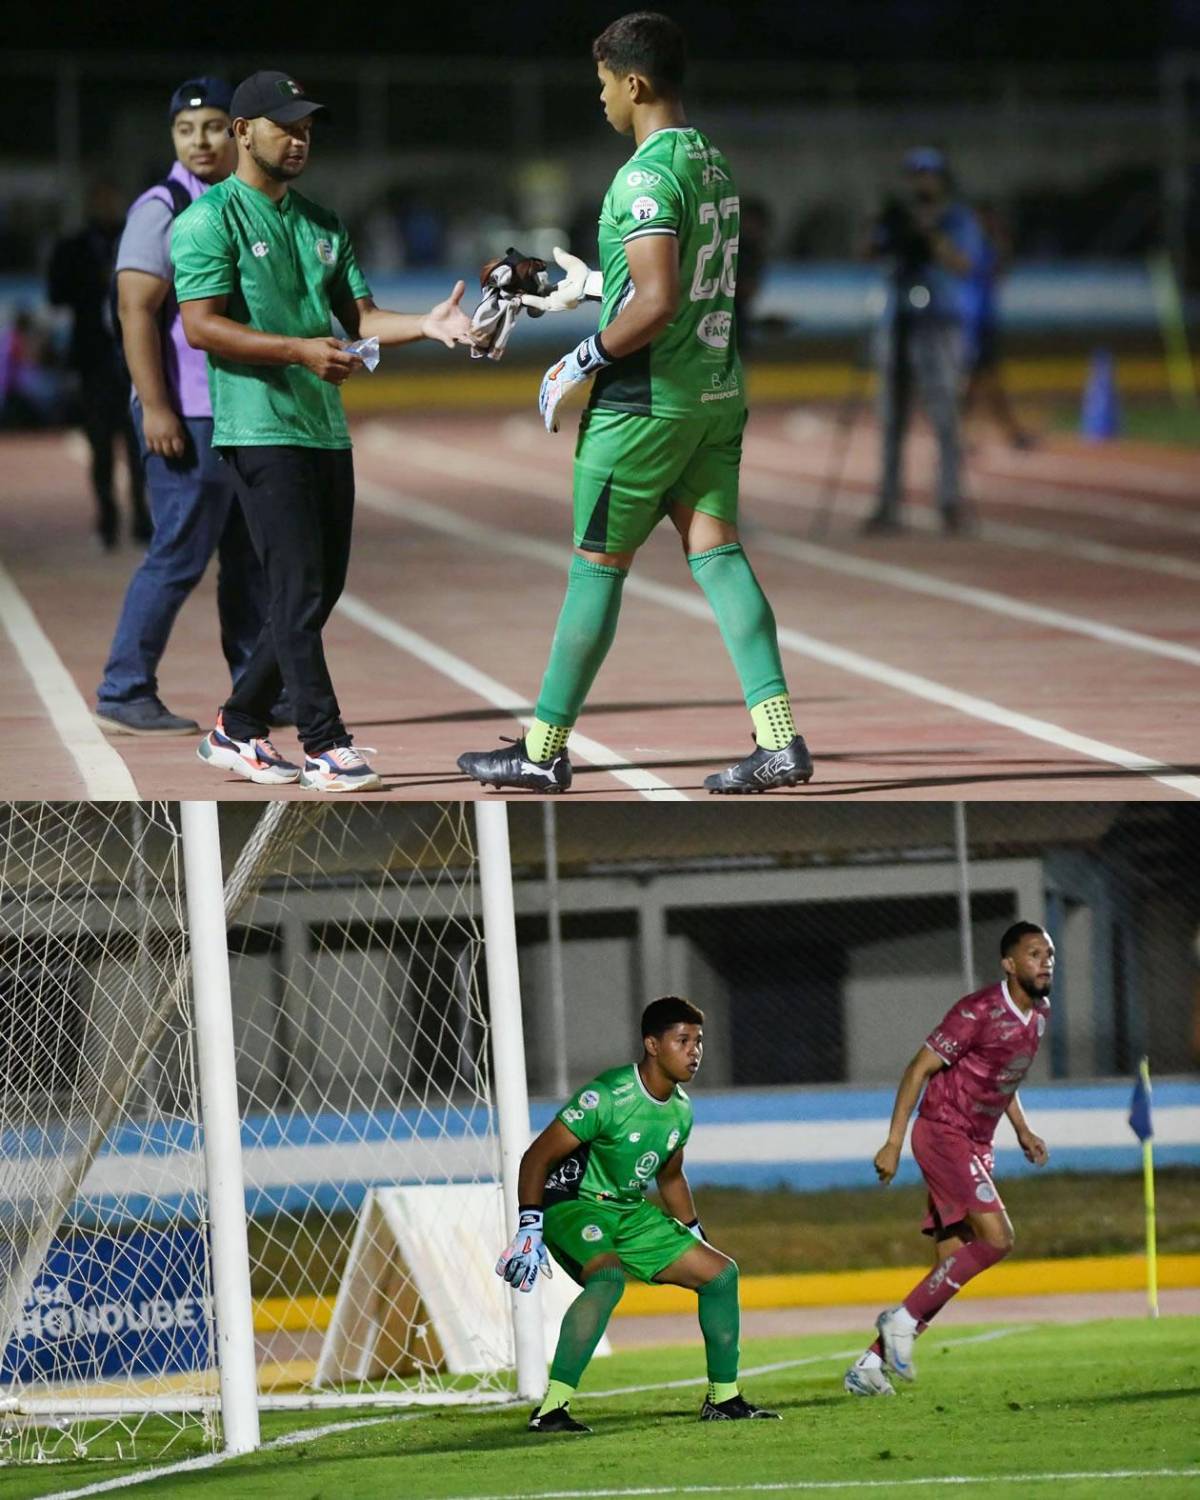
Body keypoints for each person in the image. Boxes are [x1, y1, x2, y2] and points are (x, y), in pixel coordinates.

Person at [457, 12, 811, 796]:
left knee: (595, 572)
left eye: (606, 84)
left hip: (644, 406)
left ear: (635, 82)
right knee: (718, 558)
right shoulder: (710, 160)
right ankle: (778, 736)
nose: (602, 100)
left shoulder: (643, 175)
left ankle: (543, 748)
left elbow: (654, 302)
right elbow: (665, 285)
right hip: (715, 392)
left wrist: (574, 362)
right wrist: (581, 289)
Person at [172, 69, 472, 792]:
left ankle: (236, 729)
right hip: (257, 426)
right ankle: (324, 743)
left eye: (307, 129)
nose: (301, 140)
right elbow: (202, 325)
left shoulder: (323, 224)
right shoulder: (209, 221)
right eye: (286, 127)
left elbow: (362, 318)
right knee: (298, 589)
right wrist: (300, 350)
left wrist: (427, 326)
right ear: (244, 132)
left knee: (317, 591)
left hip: (321, 430)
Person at [496, 996, 779, 1432]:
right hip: (573, 1204)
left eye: (698, 1041)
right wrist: (530, 1223)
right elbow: (535, 1158)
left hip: (630, 1211)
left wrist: (695, 1233)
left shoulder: (681, 1109)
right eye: (682, 1040)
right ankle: (551, 1409)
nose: (694, 1051)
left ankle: (723, 1399)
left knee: (721, 1275)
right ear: (652, 1044)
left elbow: (670, 1178)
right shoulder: (607, 1095)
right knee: (607, 1280)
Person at [94, 77, 273, 738]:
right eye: (186, 130)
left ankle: (256, 691)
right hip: (189, 414)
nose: (201, 141)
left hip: (243, 410)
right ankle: (124, 687)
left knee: (249, 560)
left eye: (215, 127)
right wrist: (158, 408)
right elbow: (134, 311)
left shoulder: (243, 202)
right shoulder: (163, 206)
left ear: (241, 131)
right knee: (177, 555)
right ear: (173, 137)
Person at [844, 921, 1054, 1397]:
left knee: (950, 1266)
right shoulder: (977, 1010)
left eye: (1049, 955)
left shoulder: (1040, 1015)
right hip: (942, 1133)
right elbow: (917, 1068)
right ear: (1009, 964)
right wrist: (894, 1143)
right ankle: (898, 1322)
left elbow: (1006, 1076)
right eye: (1035, 954)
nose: (1045, 963)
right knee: (998, 1239)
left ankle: (869, 1365)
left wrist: (1021, 1130)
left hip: (977, 1142)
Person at [863, 148, 984, 535]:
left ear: (942, 178)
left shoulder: (957, 219)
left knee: (945, 414)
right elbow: (867, 253)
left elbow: (966, 263)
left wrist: (930, 235)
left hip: (939, 323)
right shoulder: (897, 218)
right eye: (915, 174)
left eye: (928, 174)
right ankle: (888, 502)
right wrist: (885, 228)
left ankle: (949, 499)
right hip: (897, 320)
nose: (921, 182)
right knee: (891, 418)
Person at [47, 183, 152, 549]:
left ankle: (143, 519)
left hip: (134, 357)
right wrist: (93, 283)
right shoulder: (73, 247)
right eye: (100, 198)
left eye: (112, 197)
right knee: (101, 447)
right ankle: (107, 520)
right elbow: (56, 294)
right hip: (93, 361)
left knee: (140, 442)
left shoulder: (136, 241)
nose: (107, 203)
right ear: (91, 203)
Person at [961, 201, 1035, 450]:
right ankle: (1010, 433)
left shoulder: (985, 246)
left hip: (984, 320)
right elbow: (994, 269)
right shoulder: (970, 246)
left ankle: (1010, 432)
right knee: (979, 381)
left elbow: (1001, 272)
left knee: (983, 381)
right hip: (973, 321)